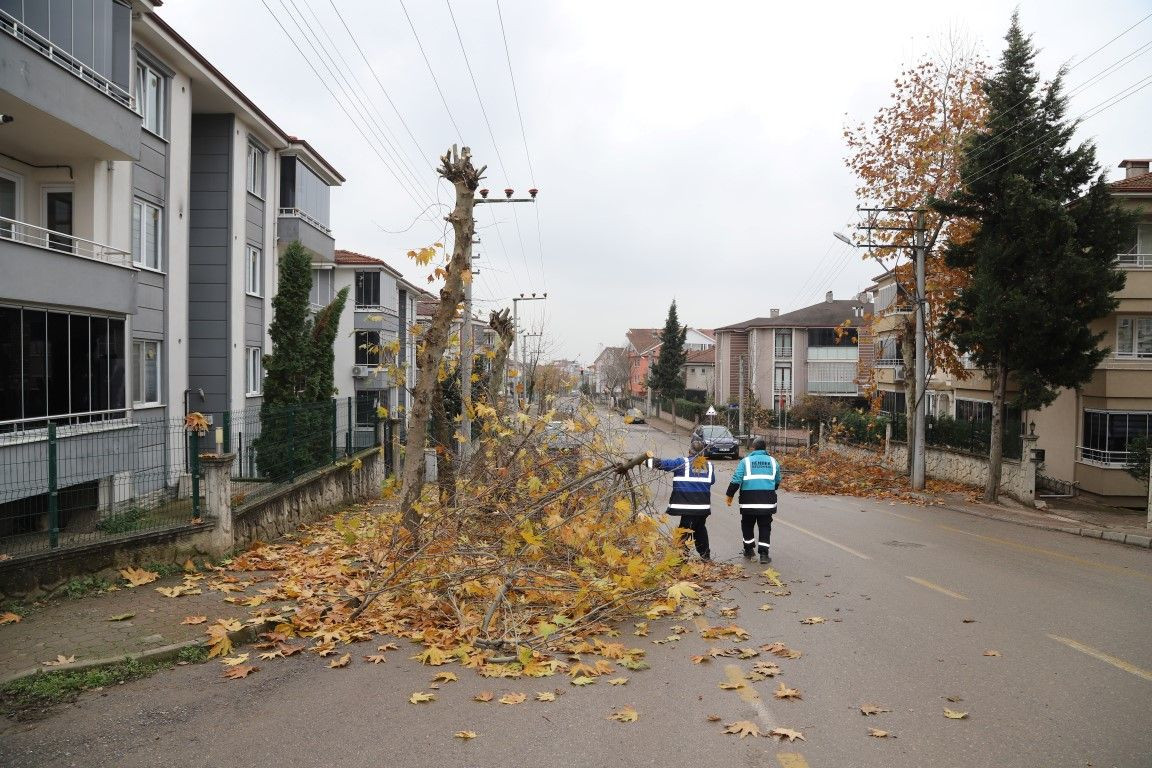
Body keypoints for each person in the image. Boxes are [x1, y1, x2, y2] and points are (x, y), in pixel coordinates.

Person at [646, 438, 715, 561]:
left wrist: (648, 462)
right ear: (703, 453)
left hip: (688, 506)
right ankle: (705, 555)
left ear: (689, 451)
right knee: (699, 529)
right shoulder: (709, 466)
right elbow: (712, 481)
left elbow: (664, 464)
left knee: (683, 531)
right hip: (703, 507)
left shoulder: (683, 463)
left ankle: (679, 558)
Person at [725, 437, 781, 564]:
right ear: (765, 448)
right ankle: (764, 555)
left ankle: (749, 550)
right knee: (765, 526)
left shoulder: (745, 461)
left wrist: (730, 494)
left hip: (748, 500)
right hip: (767, 500)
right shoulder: (773, 462)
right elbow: (777, 480)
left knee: (747, 524)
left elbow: (736, 479)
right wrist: (771, 488)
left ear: (753, 448)